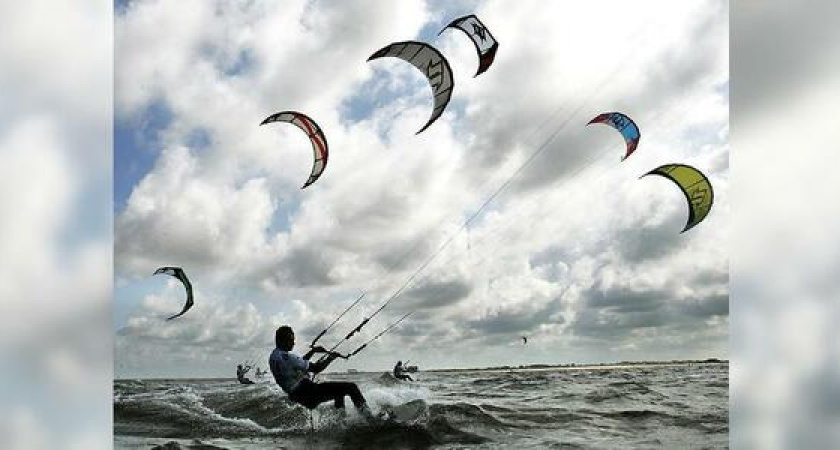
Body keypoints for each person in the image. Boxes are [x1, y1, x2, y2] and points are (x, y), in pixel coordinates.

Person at [269, 325, 378, 421]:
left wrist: (312, 351)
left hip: (297, 395)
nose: (293, 343)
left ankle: (341, 422)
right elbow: (316, 368)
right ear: (281, 341)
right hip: (308, 393)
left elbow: (297, 364)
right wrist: (330, 357)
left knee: (339, 392)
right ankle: (370, 418)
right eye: (290, 340)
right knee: (351, 387)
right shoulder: (288, 357)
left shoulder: (274, 356)